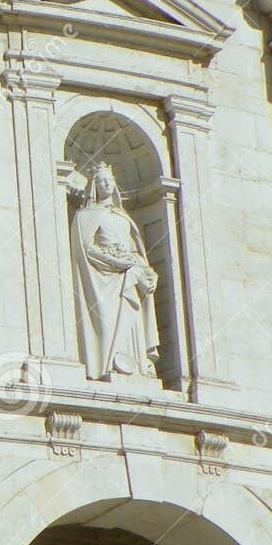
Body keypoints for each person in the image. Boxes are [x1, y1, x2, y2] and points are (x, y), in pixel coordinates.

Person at [70, 162, 160, 382]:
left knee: (131, 320)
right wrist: (114, 261)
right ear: (94, 186)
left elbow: (135, 249)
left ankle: (136, 365)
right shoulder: (85, 216)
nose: (106, 184)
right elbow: (86, 249)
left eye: (109, 180)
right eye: (101, 181)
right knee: (106, 323)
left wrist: (143, 269)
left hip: (129, 276)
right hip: (102, 278)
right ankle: (106, 365)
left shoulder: (123, 217)